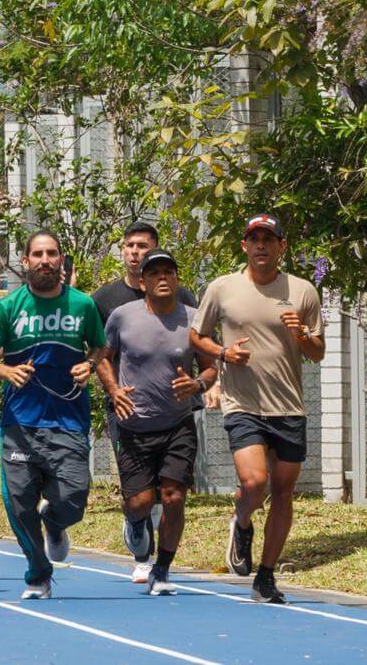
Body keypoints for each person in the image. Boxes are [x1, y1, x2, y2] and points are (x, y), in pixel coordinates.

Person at [189, 214, 325, 604]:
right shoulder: (222, 288)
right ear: (244, 246)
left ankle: (265, 576)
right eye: (254, 238)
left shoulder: (302, 291)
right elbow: (196, 336)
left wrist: (301, 334)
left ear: (282, 246)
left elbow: (317, 352)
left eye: (269, 238)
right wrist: (223, 353)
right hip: (242, 403)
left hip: (288, 406)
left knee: (283, 492)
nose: (261, 244)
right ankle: (243, 521)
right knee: (253, 482)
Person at [0, 229, 107, 600]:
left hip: (69, 420)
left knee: (74, 497)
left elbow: (100, 347)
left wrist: (90, 365)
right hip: (21, 423)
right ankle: (37, 573)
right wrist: (7, 372)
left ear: (61, 259)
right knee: (19, 505)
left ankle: (55, 522)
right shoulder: (8, 308)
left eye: (52, 254)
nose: (45, 260)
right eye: (38, 254)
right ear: (25, 261)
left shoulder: (82, 305)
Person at [97, 250, 217, 594]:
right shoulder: (122, 317)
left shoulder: (193, 320)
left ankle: (162, 569)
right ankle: (135, 523)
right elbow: (102, 357)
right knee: (140, 503)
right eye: (154, 273)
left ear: (177, 279)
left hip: (177, 424)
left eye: (168, 272)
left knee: (174, 497)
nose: (162, 278)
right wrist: (114, 390)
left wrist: (199, 384)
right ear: (143, 281)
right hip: (133, 425)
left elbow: (211, 366)